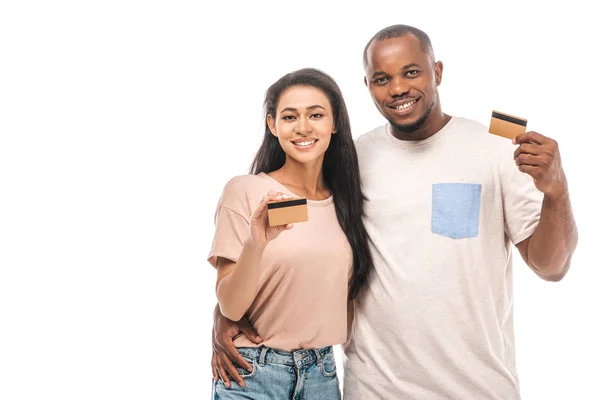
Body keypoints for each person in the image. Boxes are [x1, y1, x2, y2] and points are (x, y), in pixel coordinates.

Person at [211, 25, 578, 399]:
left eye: (412, 72)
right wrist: (228, 310)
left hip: (478, 388)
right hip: (373, 389)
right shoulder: (351, 161)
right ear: (367, 86)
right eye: (382, 78)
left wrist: (558, 192)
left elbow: (551, 267)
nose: (398, 88)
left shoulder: (496, 148)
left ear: (437, 72)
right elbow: (306, 249)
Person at [207, 68, 373, 399]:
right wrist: (257, 242)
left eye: (316, 114)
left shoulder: (347, 200)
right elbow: (231, 307)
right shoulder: (247, 191)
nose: (302, 127)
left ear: (334, 123)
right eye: (289, 116)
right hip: (253, 373)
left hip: (321, 374)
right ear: (273, 125)